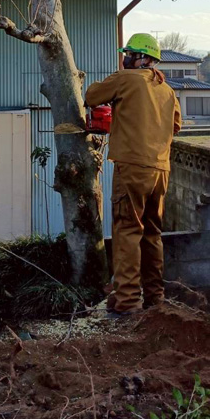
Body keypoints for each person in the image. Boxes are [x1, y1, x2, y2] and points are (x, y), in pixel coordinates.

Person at [84, 33, 182, 315]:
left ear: (141, 58)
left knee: (127, 231)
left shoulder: (126, 78)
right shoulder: (167, 89)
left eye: (128, 54)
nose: (124, 58)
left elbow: (92, 96)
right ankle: (155, 298)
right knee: (152, 233)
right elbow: (175, 125)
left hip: (132, 168)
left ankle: (127, 302)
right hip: (160, 169)